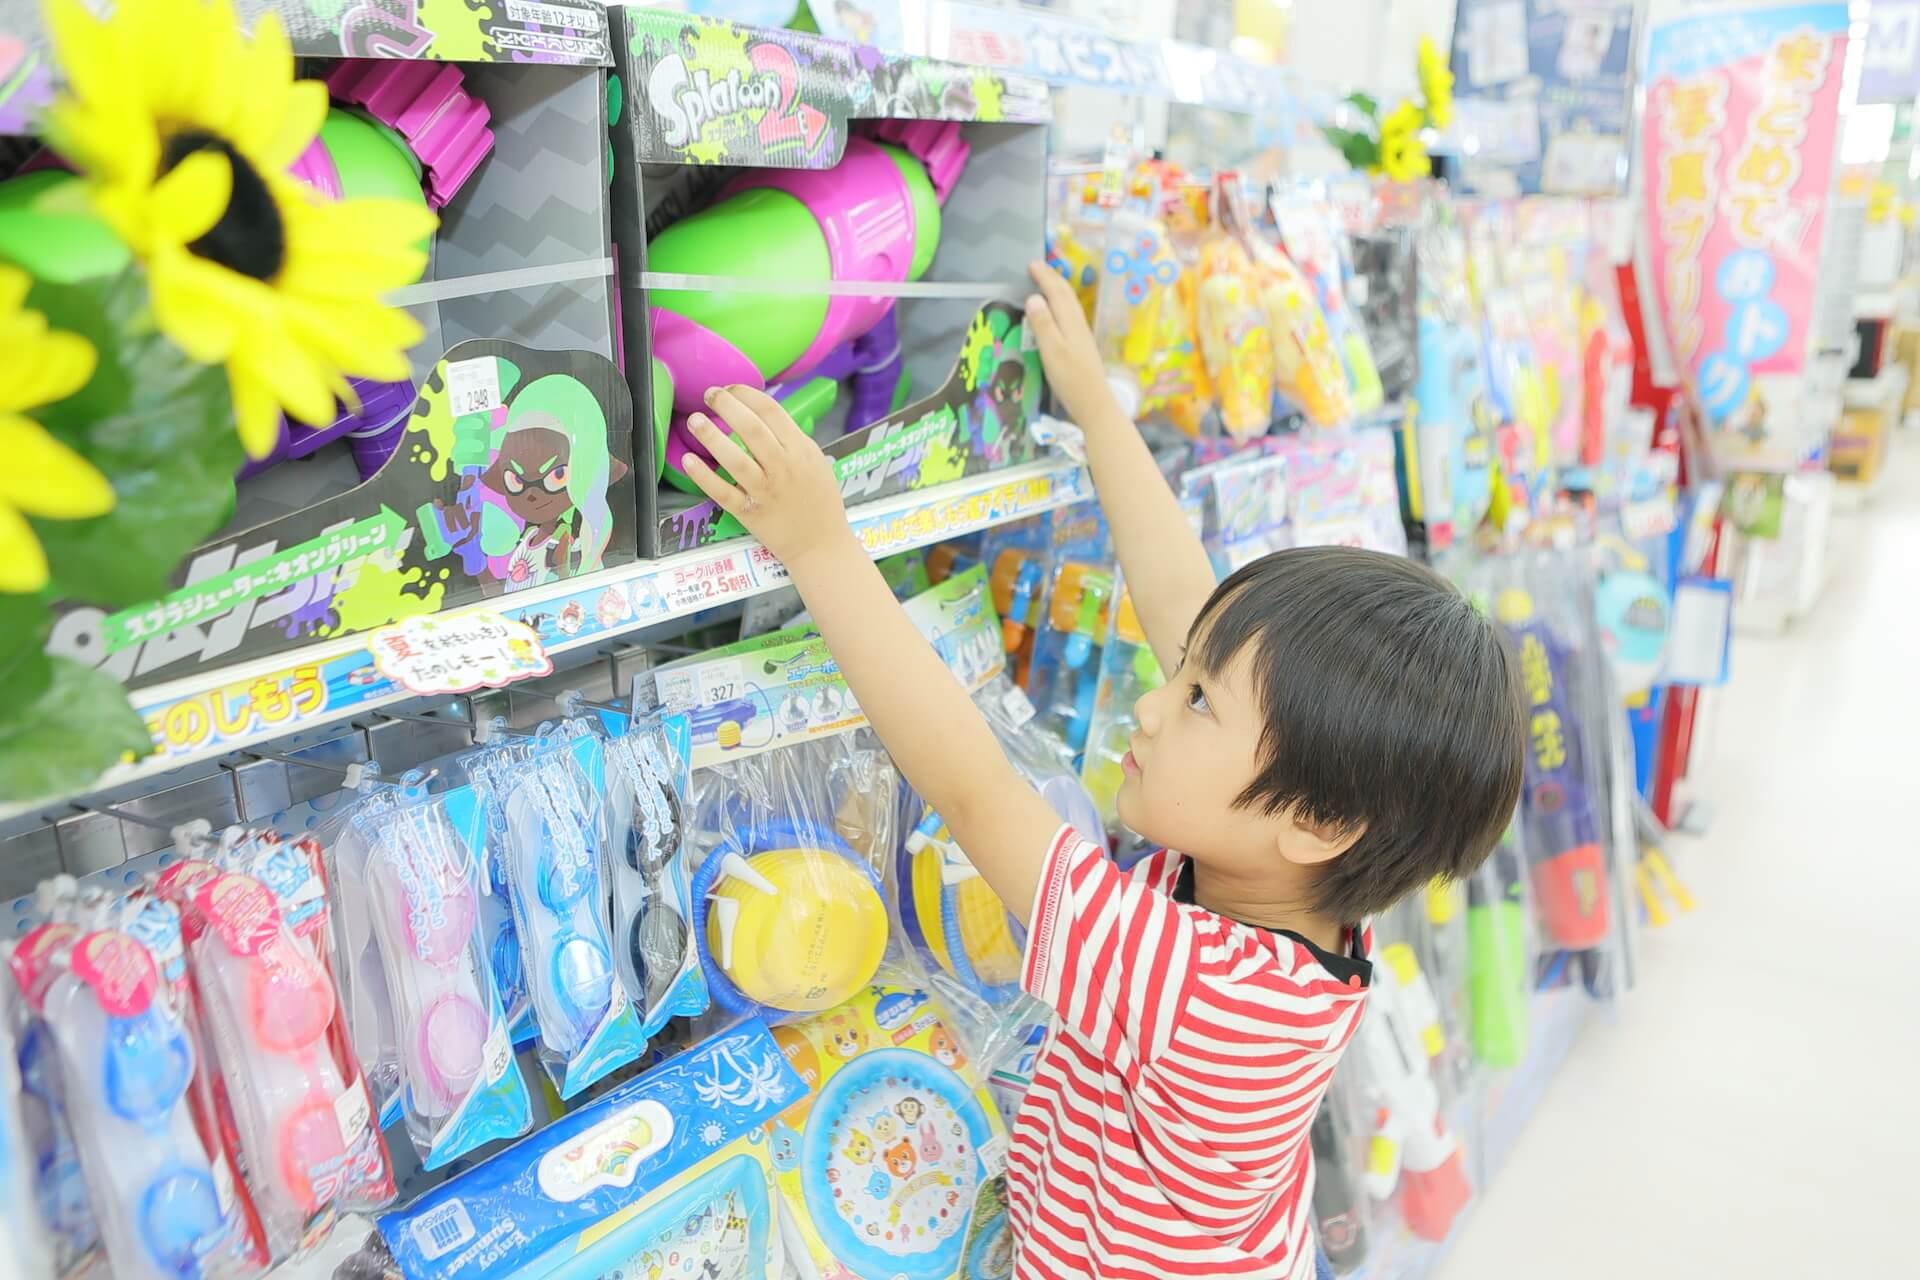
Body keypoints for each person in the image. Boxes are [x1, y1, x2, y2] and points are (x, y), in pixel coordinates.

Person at [679, 262, 1526, 1280]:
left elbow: (976, 789)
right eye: (1186, 677)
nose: (1153, 704)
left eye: (1198, 700)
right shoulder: (1303, 892)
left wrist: (819, 541)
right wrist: (1092, 402)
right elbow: (1182, 597)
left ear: (1314, 818)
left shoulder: (1201, 988)